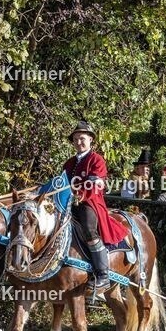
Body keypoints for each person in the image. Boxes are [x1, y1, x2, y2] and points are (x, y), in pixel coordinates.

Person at [63, 121, 129, 291]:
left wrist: (79, 195)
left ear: (91, 139)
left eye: (82, 139)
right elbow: (62, 184)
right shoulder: (69, 163)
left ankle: (103, 274)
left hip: (90, 202)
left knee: (89, 228)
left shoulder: (97, 160)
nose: (78, 142)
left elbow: (95, 185)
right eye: (75, 139)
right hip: (68, 202)